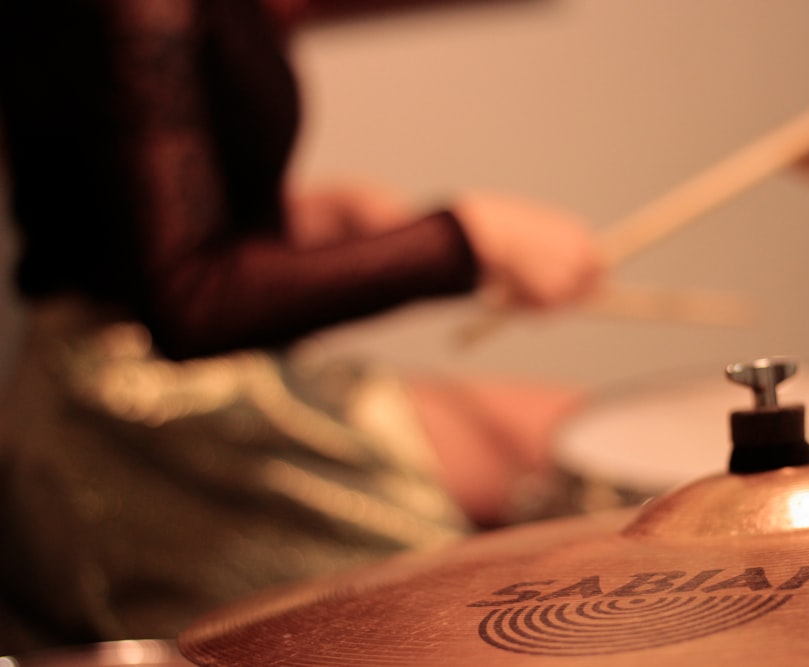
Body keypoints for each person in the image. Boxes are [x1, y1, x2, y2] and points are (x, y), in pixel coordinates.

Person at [0, 0, 605, 654]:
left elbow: (122, 213)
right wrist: (462, 240)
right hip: (136, 415)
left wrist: (315, 219)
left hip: (228, 377)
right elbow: (189, 300)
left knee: (570, 436)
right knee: (457, 605)